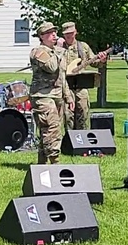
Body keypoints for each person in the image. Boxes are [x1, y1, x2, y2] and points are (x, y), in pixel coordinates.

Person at [29, 22, 75, 164]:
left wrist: (68, 96)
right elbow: (51, 67)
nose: (54, 35)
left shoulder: (55, 52)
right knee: (52, 129)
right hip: (43, 96)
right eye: (50, 32)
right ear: (42, 36)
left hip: (56, 96)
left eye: (55, 32)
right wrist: (59, 49)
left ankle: (41, 165)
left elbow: (61, 76)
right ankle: (56, 163)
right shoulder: (38, 52)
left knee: (49, 131)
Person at [59, 21, 107, 131]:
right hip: (65, 86)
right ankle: (69, 142)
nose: (69, 36)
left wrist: (102, 60)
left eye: (71, 33)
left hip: (81, 85)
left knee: (83, 115)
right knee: (68, 117)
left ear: (75, 32)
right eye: (66, 34)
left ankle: (83, 142)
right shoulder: (59, 48)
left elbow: (94, 62)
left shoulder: (83, 47)